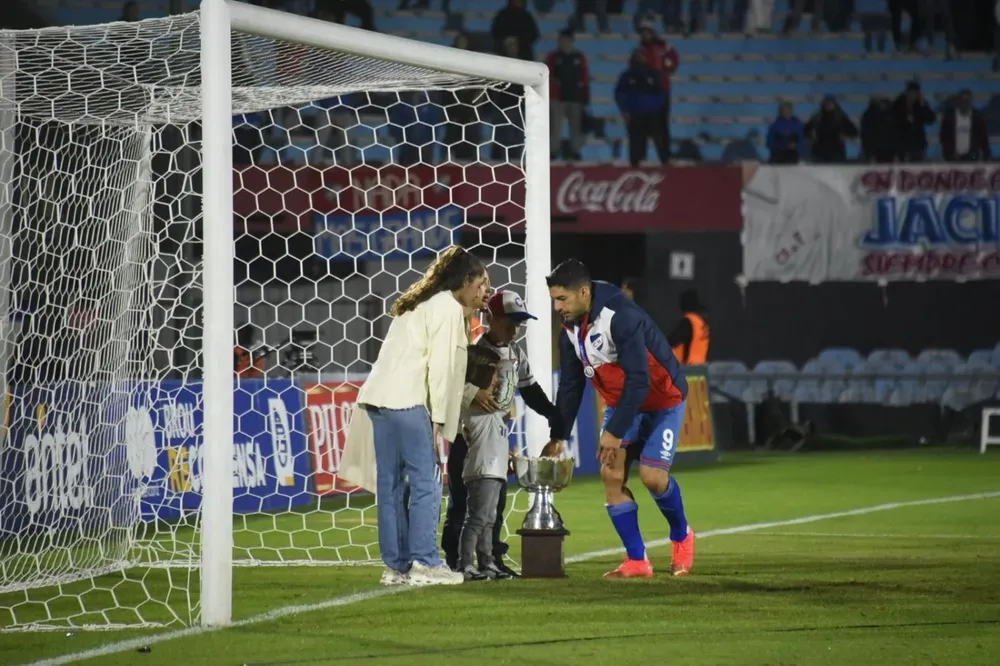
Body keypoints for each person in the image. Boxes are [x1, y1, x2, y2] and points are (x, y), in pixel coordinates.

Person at [346, 245, 491, 587]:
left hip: (377, 398)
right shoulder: (447, 308)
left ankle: (396, 567)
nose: (484, 291)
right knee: (426, 481)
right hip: (406, 400)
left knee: (391, 485)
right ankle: (426, 563)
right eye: (481, 283)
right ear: (465, 280)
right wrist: (441, 417)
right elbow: (441, 368)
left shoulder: (418, 301)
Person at [543, 260, 694, 579]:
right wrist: (558, 435)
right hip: (622, 402)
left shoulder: (620, 317)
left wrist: (613, 432)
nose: (557, 307)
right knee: (611, 475)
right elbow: (571, 383)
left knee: (653, 477)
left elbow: (639, 380)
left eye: (562, 299)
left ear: (583, 292)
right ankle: (637, 560)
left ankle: (681, 536)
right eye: (554, 299)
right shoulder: (570, 328)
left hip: (663, 400)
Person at [442, 290, 562, 578]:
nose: (514, 328)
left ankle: (490, 558)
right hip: (467, 437)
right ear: (491, 318)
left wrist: (553, 414)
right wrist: (472, 392)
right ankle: (455, 559)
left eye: (518, 322)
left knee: (495, 503)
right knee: (464, 501)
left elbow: (530, 390)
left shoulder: (516, 353)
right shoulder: (472, 353)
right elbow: (447, 387)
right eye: (509, 321)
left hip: (495, 435)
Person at [615, 49, 669, 167]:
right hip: (635, 114)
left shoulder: (653, 74)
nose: (640, 59)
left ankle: (666, 163)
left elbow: (661, 93)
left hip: (653, 114)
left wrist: (657, 107)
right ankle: (635, 166)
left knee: (659, 140)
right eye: (637, 56)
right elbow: (619, 94)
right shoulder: (626, 75)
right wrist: (625, 111)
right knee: (636, 142)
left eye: (642, 56)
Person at [667, 289, 710, 366]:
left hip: (688, 370)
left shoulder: (688, 322)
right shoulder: (702, 322)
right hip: (701, 369)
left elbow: (672, 340)